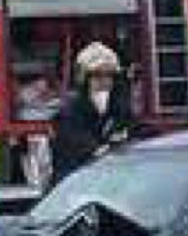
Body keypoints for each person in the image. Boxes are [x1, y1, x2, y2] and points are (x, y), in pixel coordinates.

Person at [50, 42, 135, 184]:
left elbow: (137, 132)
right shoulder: (69, 114)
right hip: (74, 186)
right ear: (84, 79)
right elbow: (87, 149)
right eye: (97, 76)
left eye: (109, 76)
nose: (105, 82)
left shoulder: (119, 109)